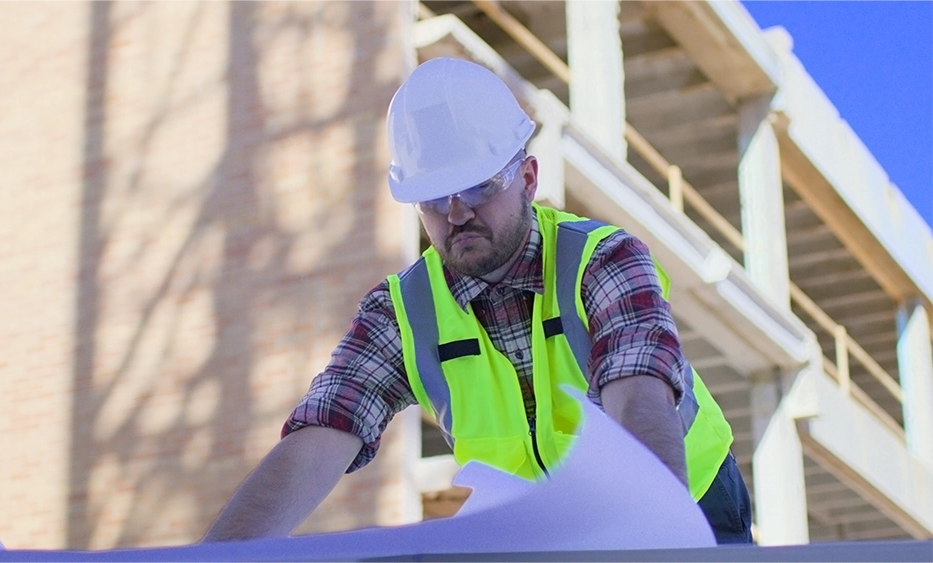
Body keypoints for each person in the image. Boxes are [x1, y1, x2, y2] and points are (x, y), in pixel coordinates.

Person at [203, 57, 752, 545]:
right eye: (434, 200)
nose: (457, 213)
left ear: (528, 179)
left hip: (689, 505)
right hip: (542, 531)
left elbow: (640, 399)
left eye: (478, 187)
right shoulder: (403, 313)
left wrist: (663, 541)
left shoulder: (602, 261)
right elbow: (320, 437)